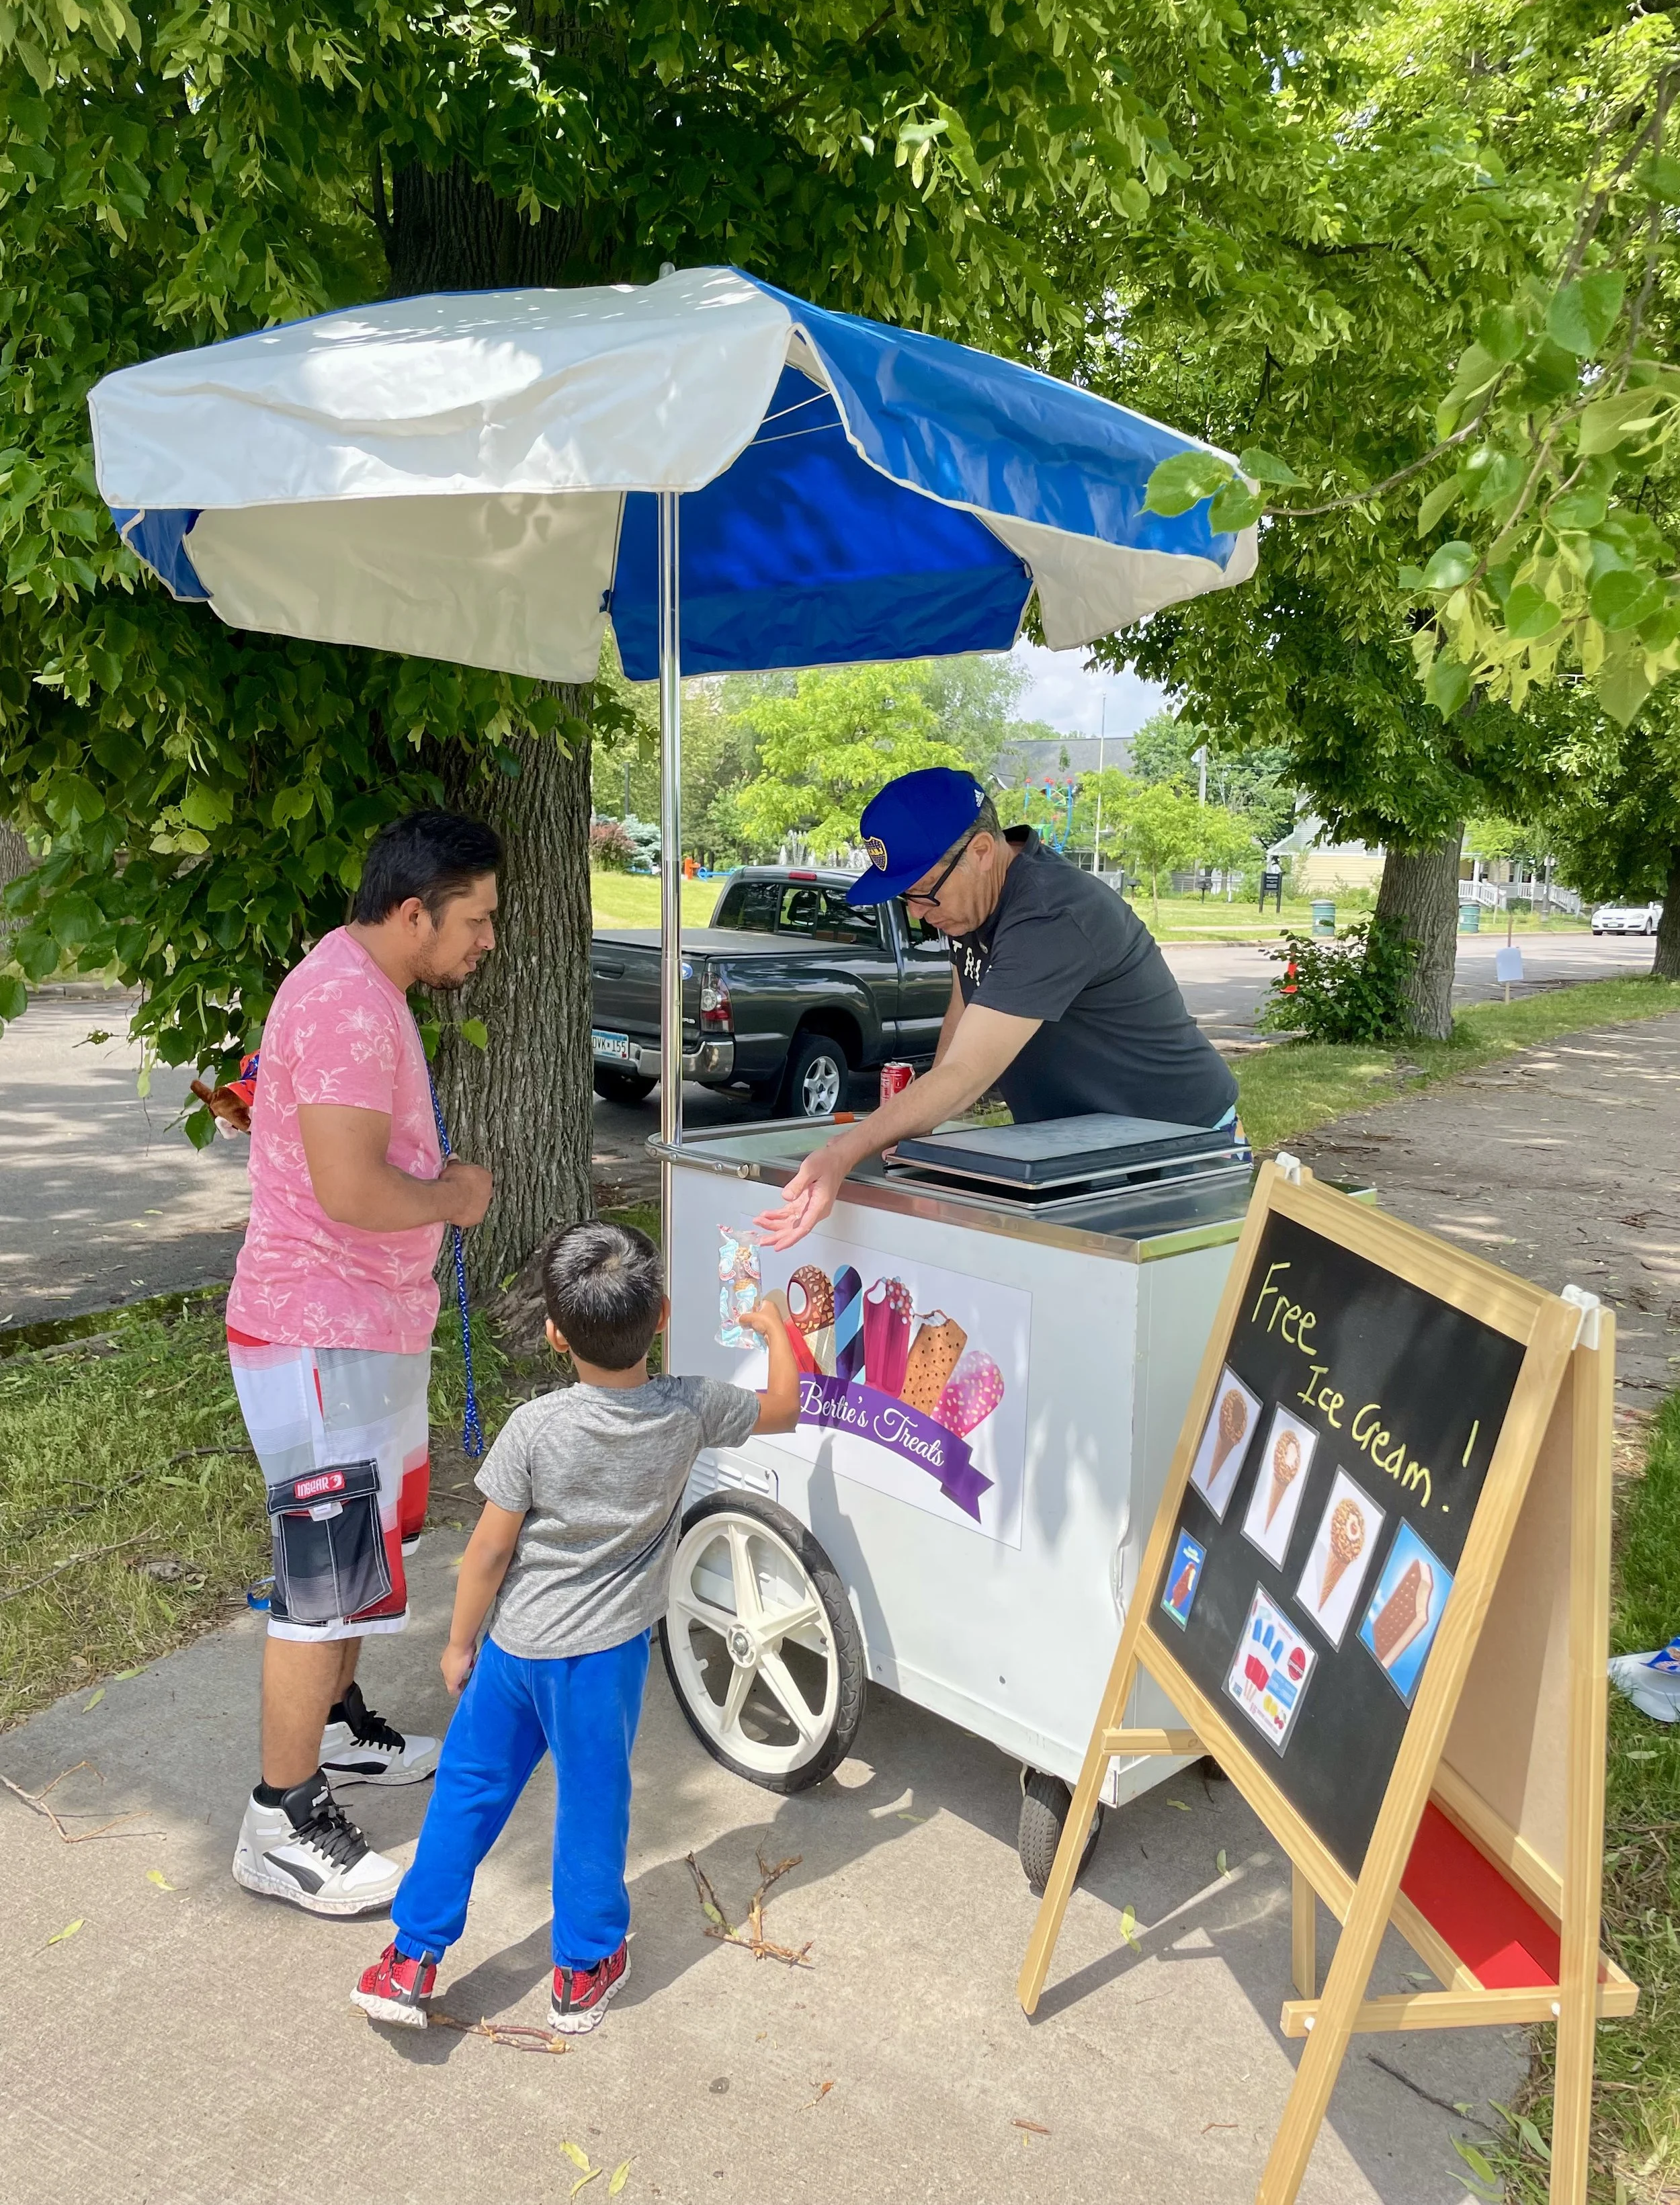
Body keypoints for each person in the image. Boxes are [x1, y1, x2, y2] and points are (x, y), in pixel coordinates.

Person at [349, 1220, 800, 2033]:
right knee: (593, 1803)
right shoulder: (691, 1409)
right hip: (603, 1662)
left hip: (514, 1651)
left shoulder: (537, 1427)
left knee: (466, 1791)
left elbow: (488, 1552)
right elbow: (785, 1407)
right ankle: (583, 1967)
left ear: (555, 1333)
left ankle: (409, 1958)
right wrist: (776, 1329)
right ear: (661, 1315)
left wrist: (459, 1645)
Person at [227, 810, 501, 1915]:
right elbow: (349, 1188)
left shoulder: (363, 986)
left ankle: (333, 1731)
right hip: (319, 1331)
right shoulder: (346, 1001)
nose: (486, 940)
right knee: (323, 1576)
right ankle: (280, 1819)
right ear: (411, 911)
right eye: (475, 920)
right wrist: (455, 1195)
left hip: (362, 1326)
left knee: (361, 1558)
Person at [757, 767, 1239, 1251]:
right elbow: (962, 1018)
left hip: (1184, 1147)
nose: (917, 913)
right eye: (905, 898)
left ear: (983, 852)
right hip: (1086, 1150)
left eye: (923, 893)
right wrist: (912, 1128)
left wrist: (843, 1151)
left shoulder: (1051, 915)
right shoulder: (969, 905)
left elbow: (968, 1073)